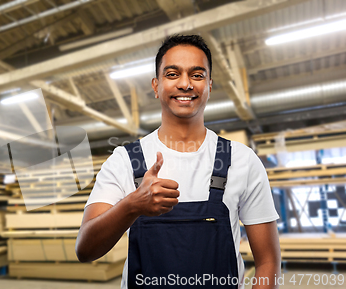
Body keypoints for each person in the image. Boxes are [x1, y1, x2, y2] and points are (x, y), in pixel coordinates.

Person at [75, 34, 281, 289]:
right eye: (172, 74)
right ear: (156, 85)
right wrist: (132, 205)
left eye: (197, 75)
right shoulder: (124, 161)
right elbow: (85, 249)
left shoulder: (242, 160)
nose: (185, 84)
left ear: (209, 84)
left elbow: (268, 262)